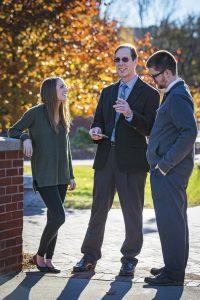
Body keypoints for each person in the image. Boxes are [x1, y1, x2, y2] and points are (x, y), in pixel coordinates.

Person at [73, 44, 160, 276]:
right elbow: (98, 120)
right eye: (116, 60)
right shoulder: (107, 91)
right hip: (105, 158)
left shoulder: (150, 94)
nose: (120, 64)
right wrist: (95, 130)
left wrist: (130, 114)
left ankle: (129, 258)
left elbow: (151, 127)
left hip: (132, 162)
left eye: (124, 59)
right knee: (97, 210)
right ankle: (89, 256)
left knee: (132, 212)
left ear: (134, 61)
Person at [9, 76, 76, 273]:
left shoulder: (63, 114)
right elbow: (13, 130)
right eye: (62, 86)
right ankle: (39, 257)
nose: (66, 88)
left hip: (62, 176)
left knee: (53, 217)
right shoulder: (35, 113)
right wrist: (25, 138)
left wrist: (71, 174)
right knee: (59, 216)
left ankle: (48, 259)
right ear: (50, 91)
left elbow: (67, 148)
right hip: (45, 176)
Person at [145, 50, 198, 285]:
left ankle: (174, 274)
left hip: (170, 171)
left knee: (171, 221)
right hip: (167, 171)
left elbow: (189, 133)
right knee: (171, 220)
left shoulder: (177, 96)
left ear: (167, 72)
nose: (153, 81)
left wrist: (164, 165)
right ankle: (173, 266)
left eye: (155, 76)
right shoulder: (173, 93)